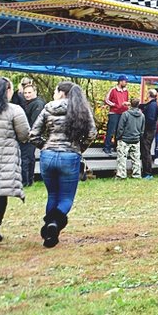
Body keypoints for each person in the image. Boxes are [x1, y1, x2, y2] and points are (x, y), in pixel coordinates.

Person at [28, 80, 98, 247]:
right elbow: (92, 133)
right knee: (66, 197)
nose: (54, 93)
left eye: (55, 90)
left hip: (48, 156)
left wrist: (45, 146)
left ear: (61, 92)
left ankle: (51, 234)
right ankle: (53, 224)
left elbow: (33, 135)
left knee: (53, 195)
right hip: (69, 155)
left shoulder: (48, 108)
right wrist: (79, 148)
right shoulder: (81, 109)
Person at [0, 77, 30, 242]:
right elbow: (24, 135)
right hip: (5, 159)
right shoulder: (15, 110)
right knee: (0, 196)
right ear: (7, 91)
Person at [20, 83, 45, 187]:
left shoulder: (37, 104)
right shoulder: (28, 103)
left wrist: (26, 136)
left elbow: (34, 123)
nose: (27, 95)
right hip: (29, 135)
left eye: (29, 92)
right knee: (29, 158)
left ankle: (26, 181)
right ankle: (29, 180)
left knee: (25, 158)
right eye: (25, 93)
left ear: (35, 92)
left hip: (30, 135)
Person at [115, 97, 145, 180]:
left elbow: (120, 127)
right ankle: (137, 174)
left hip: (125, 139)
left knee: (122, 158)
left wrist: (118, 137)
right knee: (136, 159)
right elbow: (142, 129)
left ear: (130, 104)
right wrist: (139, 137)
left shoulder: (125, 114)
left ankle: (121, 175)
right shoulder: (142, 115)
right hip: (136, 139)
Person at [103, 75, 130, 155]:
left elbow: (126, 100)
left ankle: (116, 147)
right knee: (111, 130)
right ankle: (107, 147)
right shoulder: (113, 90)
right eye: (125, 81)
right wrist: (115, 105)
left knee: (120, 131)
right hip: (114, 113)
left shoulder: (126, 91)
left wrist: (126, 105)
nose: (126, 83)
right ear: (120, 81)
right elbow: (106, 100)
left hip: (123, 113)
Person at [139, 90, 158, 179]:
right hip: (150, 130)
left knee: (146, 151)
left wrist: (143, 127)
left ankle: (147, 172)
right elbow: (144, 105)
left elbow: (150, 119)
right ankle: (146, 172)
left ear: (149, 95)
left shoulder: (152, 106)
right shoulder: (152, 104)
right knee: (145, 150)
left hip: (148, 131)